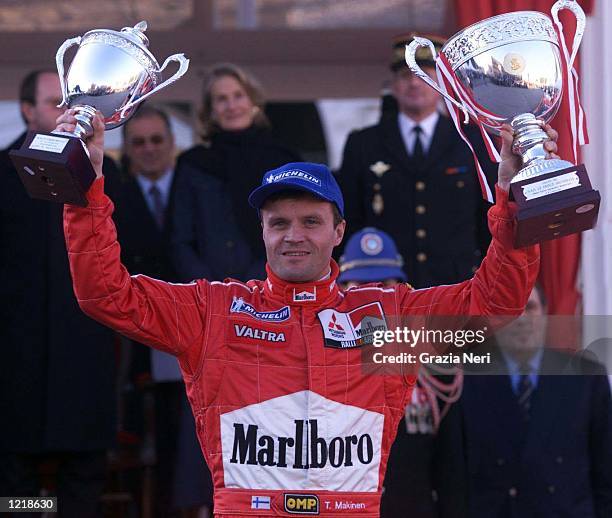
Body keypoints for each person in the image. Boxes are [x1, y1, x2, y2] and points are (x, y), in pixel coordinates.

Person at [57, 103, 555, 517]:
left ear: (339, 233)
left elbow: (496, 303)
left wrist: (512, 199)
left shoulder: (388, 319)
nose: (294, 236)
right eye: (279, 223)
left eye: (311, 221)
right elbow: (104, 293)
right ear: (263, 231)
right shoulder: (214, 309)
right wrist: (86, 189)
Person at [0, 71, 119, 516]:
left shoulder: (107, 172)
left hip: (83, 347)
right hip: (16, 354)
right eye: (54, 103)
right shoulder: (2, 170)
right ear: (28, 110)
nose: (66, 112)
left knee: (83, 473)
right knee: (17, 485)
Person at [338, 34, 498, 289]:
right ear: (393, 85)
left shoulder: (472, 141)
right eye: (405, 75)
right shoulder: (363, 144)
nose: (414, 83)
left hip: (456, 288)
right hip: (383, 288)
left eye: (424, 75)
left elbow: (489, 218)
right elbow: (348, 220)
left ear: (443, 84)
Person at [115, 105, 213, 517]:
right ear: (126, 150)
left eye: (157, 140)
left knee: (187, 428)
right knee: (138, 431)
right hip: (132, 331)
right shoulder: (114, 193)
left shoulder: (199, 188)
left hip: (191, 322)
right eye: (139, 143)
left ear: (173, 143)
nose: (149, 150)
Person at [451, 285, 612, 518]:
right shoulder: (465, 381)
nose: (521, 319)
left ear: (545, 314)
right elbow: (454, 476)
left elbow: (606, 473)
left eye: (530, 308)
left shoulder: (586, 377)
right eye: (509, 311)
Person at [338, 228, 463, 518]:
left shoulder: (434, 371)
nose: (372, 297)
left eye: (383, 286)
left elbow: (450, 467)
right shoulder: (319, 363)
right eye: (361, 285)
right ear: (342, 291)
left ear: (401, 291)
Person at [171, 63, 301, 283]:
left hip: (272, 286)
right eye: (221, 99)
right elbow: (179, 239)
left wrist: (260, 282)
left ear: (253, 101)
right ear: (210, 110)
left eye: (238, 96)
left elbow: (295, 229)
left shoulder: (283, 160)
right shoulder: (193, 164)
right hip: (208, 293)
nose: (231, 105)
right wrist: (207, 286)